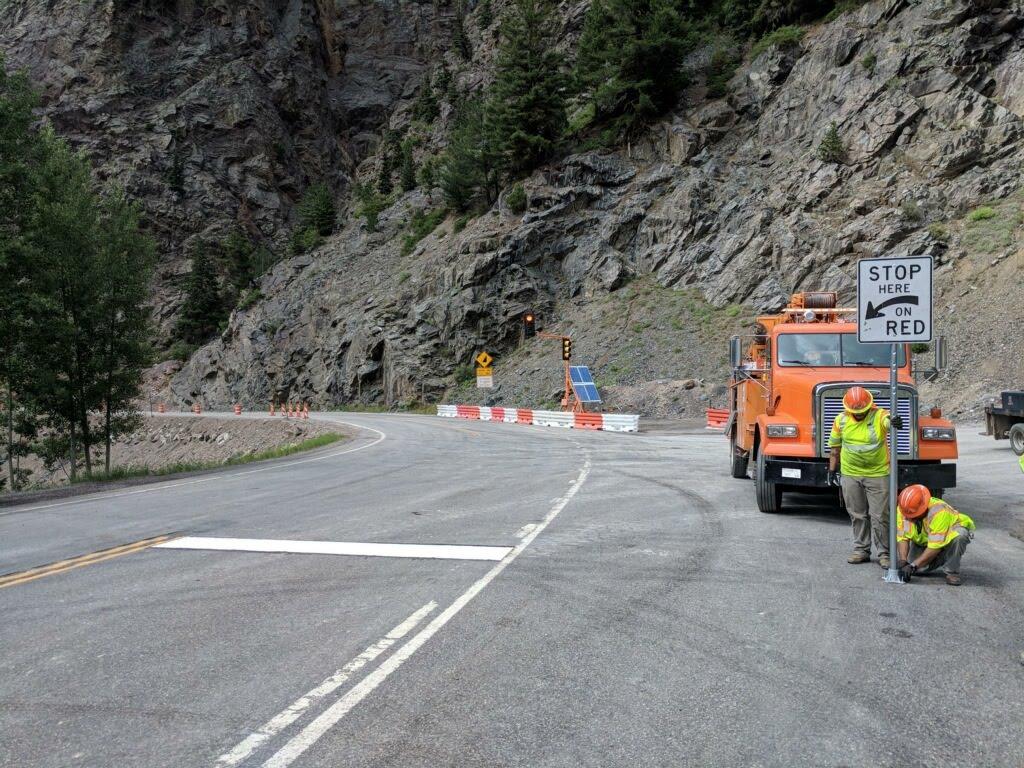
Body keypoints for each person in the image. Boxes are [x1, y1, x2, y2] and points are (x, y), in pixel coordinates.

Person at [828, 386, 902, 569]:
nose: (859, 414)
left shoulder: (879, 415)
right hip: (851, 474)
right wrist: (831, 470)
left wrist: (894, 421)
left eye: (862, 411)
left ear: (869, 406)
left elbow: (888, 421)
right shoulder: (841, 420)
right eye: (856, 412)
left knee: (880, 515)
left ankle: (885, 553)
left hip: (878, 474)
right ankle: (861, 549)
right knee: (857, 514)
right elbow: (835, 448)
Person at [896, 484, 975, 586]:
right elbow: (902, 537)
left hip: (949, 535)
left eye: (913, 516)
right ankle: (943, 555)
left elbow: (935, 546)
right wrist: (903, 560)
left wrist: (913, 566)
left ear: (923, 508)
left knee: (960, 536)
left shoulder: (939, 511)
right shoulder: (904, 509)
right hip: (929, 539)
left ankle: (952, 571)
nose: (909, 518)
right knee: (919, 570)